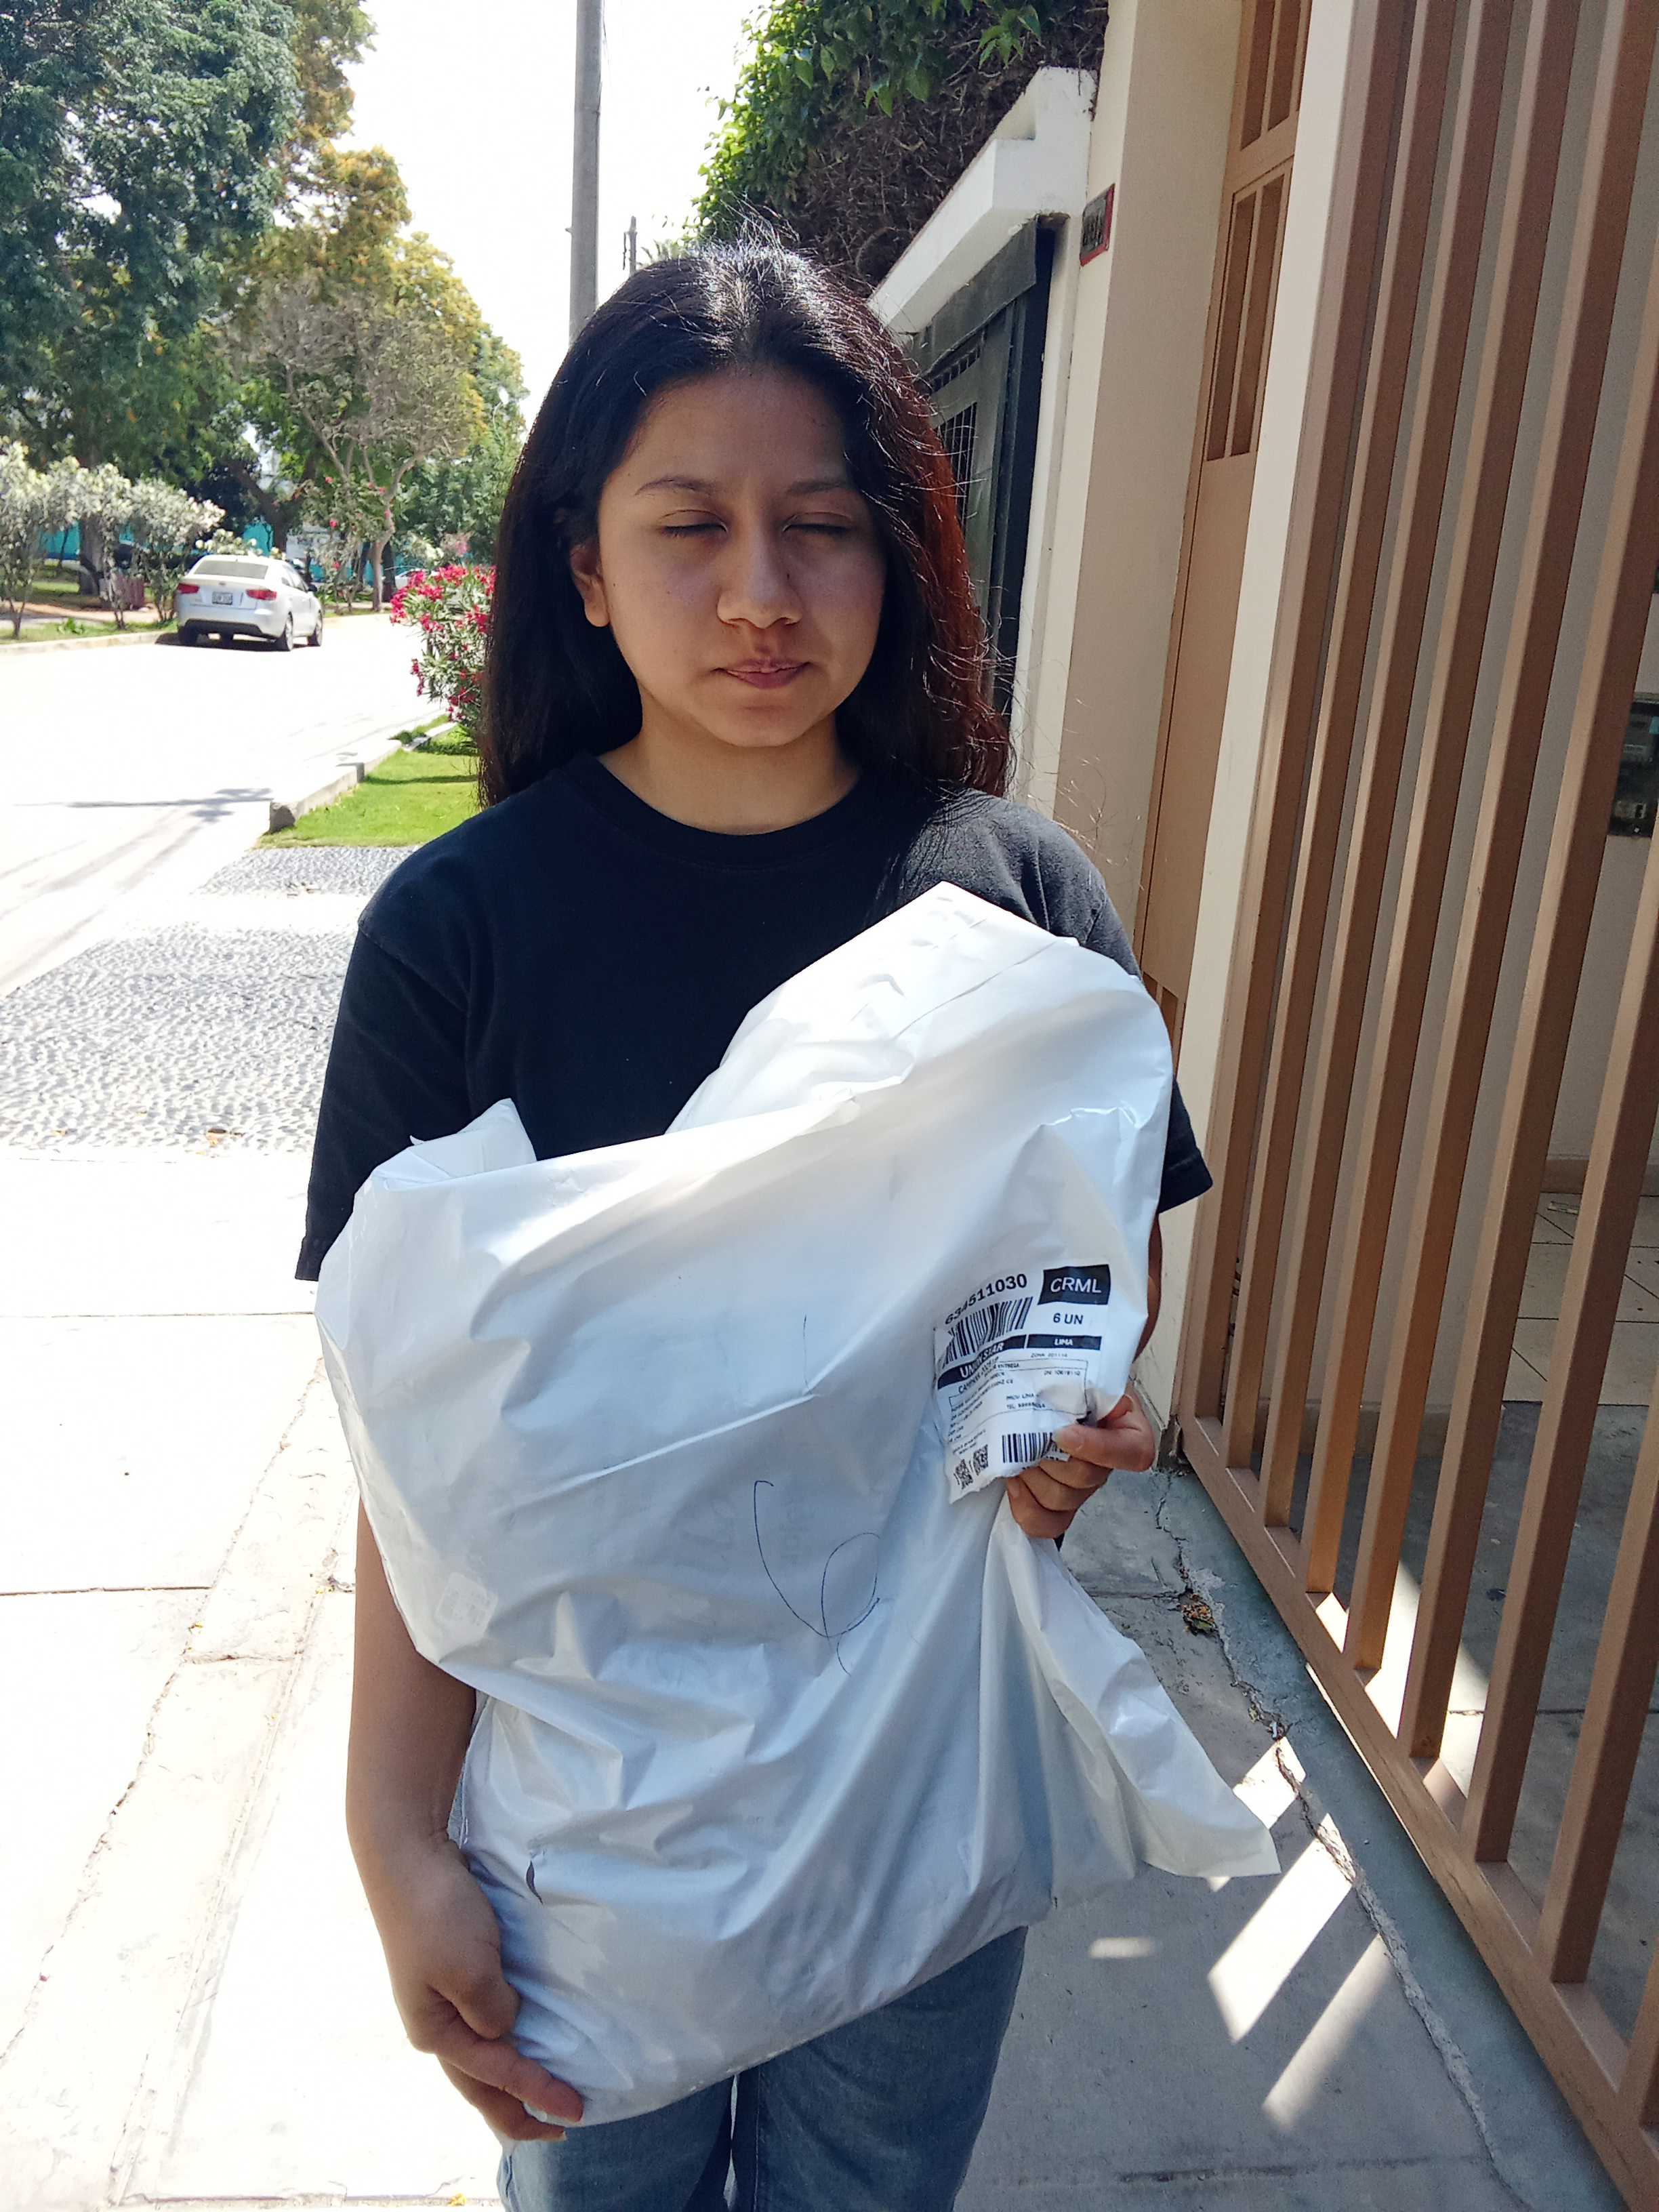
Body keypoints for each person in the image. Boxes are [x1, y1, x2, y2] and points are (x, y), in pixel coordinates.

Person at [296, 236, 1212, 2212]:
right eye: (689, 524)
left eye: (822, 525)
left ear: (899, 557)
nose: (761, 592)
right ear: (584, 567)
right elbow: (424, 1464)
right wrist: (397, 1836)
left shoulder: (1017, 907)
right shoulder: (459, 937)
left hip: (923, 1788)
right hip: (592, 1826)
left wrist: (1073, 1436)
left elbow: (1093, 1299)